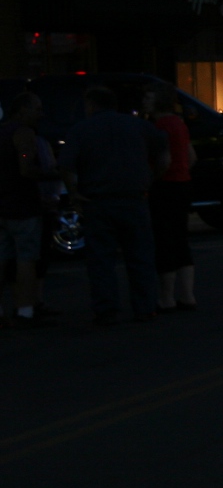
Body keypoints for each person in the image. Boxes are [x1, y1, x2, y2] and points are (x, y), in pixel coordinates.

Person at [62, 86, 167, 324]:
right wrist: (151, 179)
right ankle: (145, 306)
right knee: (140, 256)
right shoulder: (138, 126)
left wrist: (75, 193)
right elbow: (163, 153)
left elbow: (67, 165)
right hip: (134, 198)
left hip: (98, 201)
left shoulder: (81, 129)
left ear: (91, 105)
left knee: (101, 260)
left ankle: (106, 309)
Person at [0, 92, 50, 327]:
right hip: (22, 206)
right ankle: (25, 309)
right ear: (23, 111)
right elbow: (26, 167)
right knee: (26, 259)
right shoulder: (23, 133)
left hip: (2, 205)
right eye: (37, 109)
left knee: (3, 257)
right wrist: (52, 174)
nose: (41, 114)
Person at [146, 84, 196, 312]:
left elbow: (163, 160)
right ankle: (187, 294)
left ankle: (166, 297)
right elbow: (191, 156)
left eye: (149, 97)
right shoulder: (179, 124)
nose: (144, 102)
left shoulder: (160, 126)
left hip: (165, 186)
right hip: (182, 184)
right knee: (180, 239)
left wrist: (152, 179)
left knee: (164, 241)